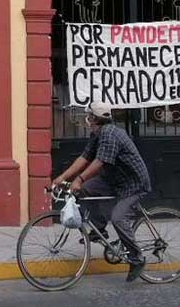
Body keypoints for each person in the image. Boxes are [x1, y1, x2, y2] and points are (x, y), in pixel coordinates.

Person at [51, 101, 152, 282]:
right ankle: (99, 227)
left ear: (95, 119)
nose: (87, 120)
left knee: (119, 218)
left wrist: (79, 179)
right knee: (84, 191)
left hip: (133, 183)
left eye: (89, 117)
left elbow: (100, 162)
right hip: (112, 179)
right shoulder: (97, 134)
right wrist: (62, 177)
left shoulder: (110, 134)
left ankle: (137, 258)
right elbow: (84, 157)